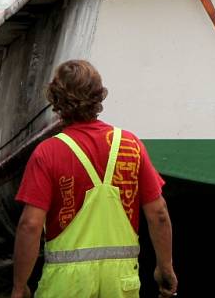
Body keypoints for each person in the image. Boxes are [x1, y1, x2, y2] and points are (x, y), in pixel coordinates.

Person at [12, 59, 177, 298]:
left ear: (56, 101)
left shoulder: (48, 153)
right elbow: (158, 213)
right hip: (121, 284)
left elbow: (30, 225)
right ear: (98, 97)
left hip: (67, 285)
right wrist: (165, 268)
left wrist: (20, 286)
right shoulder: (130, 145)